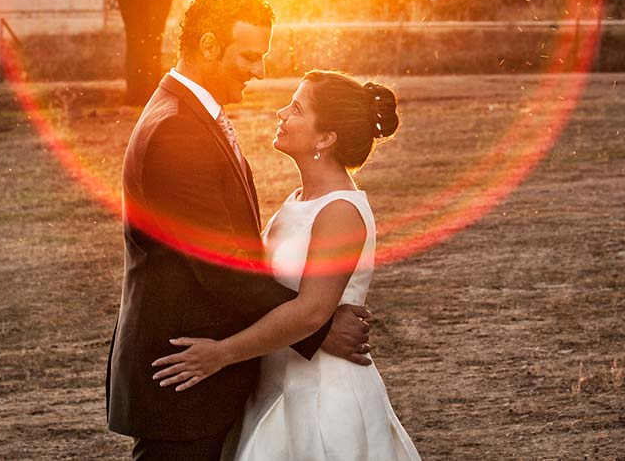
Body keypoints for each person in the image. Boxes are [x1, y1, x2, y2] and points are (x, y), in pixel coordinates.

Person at [106, 0, 372, 461]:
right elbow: (222, 265)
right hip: (184, 370)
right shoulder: (177, 131)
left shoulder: (190, 116)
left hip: (213, 372)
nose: (260, 70)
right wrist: (318, 324)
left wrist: (310, 316)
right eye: (249, 56)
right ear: (209, 45)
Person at [151, 69, 422, 461]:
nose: (281, 113)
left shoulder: (341, 211)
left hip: (320, 399)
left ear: (325, 138)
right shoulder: (298, 200)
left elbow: (311, 311)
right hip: (273, 386)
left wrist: (221, 353)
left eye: (296, 108)